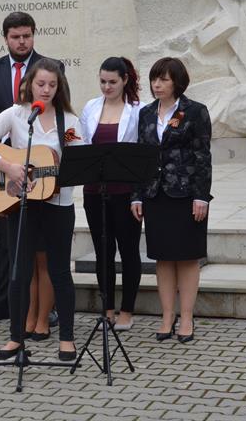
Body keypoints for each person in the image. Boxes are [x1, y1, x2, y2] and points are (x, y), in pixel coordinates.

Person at [0, 58, 82, 361]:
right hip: (22, 205)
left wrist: (65, 168)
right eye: (40, 84)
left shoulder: (69, 121)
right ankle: (16, 338)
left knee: (59, 271)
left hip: (59, 206)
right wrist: (6, 166)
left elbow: (78, 160)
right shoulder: (17, 115)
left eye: (52, 85)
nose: (45, 90)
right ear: (30, 83)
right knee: (18, 271)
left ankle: (67, 339)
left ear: (60, 87)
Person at [0, 11, 61, 328]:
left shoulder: (51, 68)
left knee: (40, 252)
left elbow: (61, 117)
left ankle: (42, 310)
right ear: (6, 38)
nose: (21, 41)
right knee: (4, 243)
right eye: (15, 36)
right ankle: (3, 303)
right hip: (1, 173)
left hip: (39, 177)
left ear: (34, 34)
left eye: (26, 35)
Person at [130, 57, 212, 344]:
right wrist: (137, 195)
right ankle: (167, 316)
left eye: (163, 79)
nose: (157, 84)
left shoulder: (195, 112)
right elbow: (142, 157)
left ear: (177, 82)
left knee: (187, 257)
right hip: (156, 195)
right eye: (154, 79)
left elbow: (203, 157)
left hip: (186, 194)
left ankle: (187, 317)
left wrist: (202, 195)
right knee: (163, 258)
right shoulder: (147, 113)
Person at [79, 57, 145, 331]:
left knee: (128, 251)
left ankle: (127, 310)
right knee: (103, 251)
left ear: (125, 80)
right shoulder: (91, 107)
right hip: (95, 191)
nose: (107, 87)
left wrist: (139, 195)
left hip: (126, 193)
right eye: (103, 81)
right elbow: (82, 144)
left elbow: (142, 153)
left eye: (113, 82)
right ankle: (107, 309)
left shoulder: (138, 110)